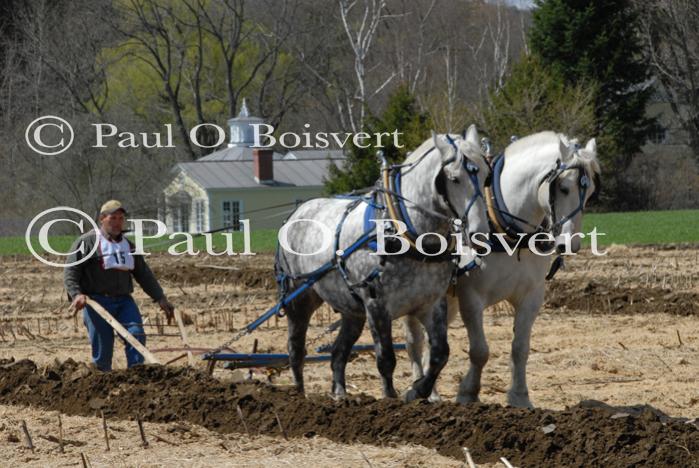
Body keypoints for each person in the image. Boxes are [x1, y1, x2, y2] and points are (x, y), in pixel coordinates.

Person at [64, 200, 174, 371]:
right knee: (103, 345)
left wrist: (159, 297)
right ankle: (103, 380)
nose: (117, 222)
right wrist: (76, 294)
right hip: (96, 302)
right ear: (102, 219)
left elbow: (143, 274)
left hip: (124, 302)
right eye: (113, 218)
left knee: (136, 335)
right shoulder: (87, 242)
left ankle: (136, 375)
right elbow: (71, 271)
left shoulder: (128, 246)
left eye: (121, 218)